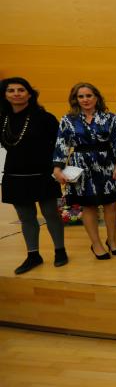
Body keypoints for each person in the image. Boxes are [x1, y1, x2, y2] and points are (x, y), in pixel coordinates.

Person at [1, 77, 67, 274]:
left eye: (21, 90)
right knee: (26, 217)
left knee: (50, 214)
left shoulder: (44, 118)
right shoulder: (2, 118)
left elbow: (59, 146)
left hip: (42, 173)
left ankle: (60, 251)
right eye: (11, 90)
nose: (16, 94)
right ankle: (33, 255)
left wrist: (58, 167)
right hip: (15, 175)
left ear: (29, 94)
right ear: (5, 95)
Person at [53, 83, 116, 260]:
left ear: (97, 97)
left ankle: (112, 240)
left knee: (111, 204)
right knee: (88, 205)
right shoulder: (68, 120)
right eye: (81, 96)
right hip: (81, 166)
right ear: (75, 99)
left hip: (106, 163)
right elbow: (61, 145)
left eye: (89, 95)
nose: (85, 99)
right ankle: (96, 244)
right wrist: (57, 168)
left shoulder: (110, 117)